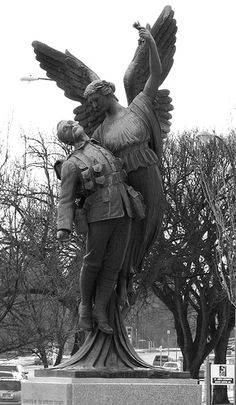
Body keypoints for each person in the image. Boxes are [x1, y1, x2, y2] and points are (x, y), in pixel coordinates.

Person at [83, 26, 165, 305]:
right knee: (124, 241)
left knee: (144, 237)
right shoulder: (100, 134)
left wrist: (151, 43)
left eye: (95, 99)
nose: (93, 105)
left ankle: (126, 283)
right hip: (126, 189)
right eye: (90, 103)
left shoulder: (138, 106)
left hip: (150, 178)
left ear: (107, 92)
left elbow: (155, 74)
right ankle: (119, 288)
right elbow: (91, 159)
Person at [56, 120, 144, 334]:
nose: (72, 124)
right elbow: (65, 199)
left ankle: (101, 310)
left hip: (124, 210)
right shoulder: (70, 163)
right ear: (67, 138)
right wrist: (63, 227)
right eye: (66, 127)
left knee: (114, 263)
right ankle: (85, 306)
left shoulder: (102, 145)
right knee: (93, 262)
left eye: (71, 122)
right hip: (99, 213)